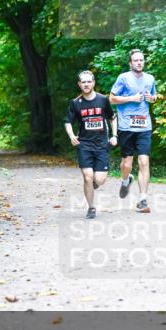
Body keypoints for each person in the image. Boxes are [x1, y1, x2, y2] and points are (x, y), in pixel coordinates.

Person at [109, 49, 158, 213]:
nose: (139, 62)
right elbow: (112, 99)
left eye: (141, 60)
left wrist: (152, 98)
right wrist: (131, 98)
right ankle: (125, 180)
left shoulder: (150, 78)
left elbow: (153, 96)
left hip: (144, 127)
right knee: (127, 164)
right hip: (126, 126)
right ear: (130, 63)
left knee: (144, 161)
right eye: (136, 60)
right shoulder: (123, 78)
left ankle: (143, 199)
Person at [64, 70, 118, 219]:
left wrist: (114, 136)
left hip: (101, 145)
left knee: (99, 180)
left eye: (89, 81)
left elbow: (112, 117)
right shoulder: (75, 103)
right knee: (87, 177)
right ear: (79, 84)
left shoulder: (103, 100)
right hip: (84, 145)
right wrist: (71, 136)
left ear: (93, 83)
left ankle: (94, 183)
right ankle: (91, 207)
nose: (86, 84)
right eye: (83, 82)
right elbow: (68, 122)